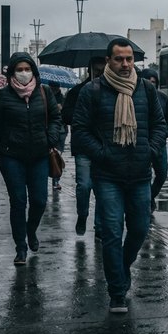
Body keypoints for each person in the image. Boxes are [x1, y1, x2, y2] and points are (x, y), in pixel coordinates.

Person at [72, 38, 166, 313]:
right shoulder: (93, 91)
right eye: (119, 59)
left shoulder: (146, 89)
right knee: (112, 233)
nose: (125, 64)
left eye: (129, 59)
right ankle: (116, 291)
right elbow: (79, 131)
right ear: (108, 61)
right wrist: (102, 153)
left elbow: (160, 124)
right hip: (107, 176)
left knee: (138, 229)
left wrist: (150, 150)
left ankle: (123, 266)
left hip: (139, 174)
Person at [0, 53, 62, 266]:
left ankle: (31, 230)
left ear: (33, 71)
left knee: (40, 201)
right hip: (11, 156)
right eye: (19, 69)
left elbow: (55, 118)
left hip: (39, 156)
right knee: (18, 202)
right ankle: (21, 247)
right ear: (12, 73)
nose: (23, 73)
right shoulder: (3, 96)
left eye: (27, 69)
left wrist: (51, 138)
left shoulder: (43, 93)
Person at [62, 56, 106, 239]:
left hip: (104, 147)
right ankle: (82, 215)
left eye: (103, 70)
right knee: (84, 186)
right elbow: (66, 117)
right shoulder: (78, 91)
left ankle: (100, 226)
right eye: (96, 70)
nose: (100, 74)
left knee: (103, 188)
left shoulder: (111, 91)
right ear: (90, 70)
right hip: (83, 147)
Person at [140, 68, 168, 211]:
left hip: (160, 143)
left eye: (154, 81)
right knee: (145, 176)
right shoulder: (138, 97)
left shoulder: (162, 97)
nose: (151, 83)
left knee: (162, 174)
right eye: (148, 80)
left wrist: (166, 132)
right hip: (144, 143)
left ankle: (150, 196)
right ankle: (148, 202)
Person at [49, 81, 67, 191]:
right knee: (52, 155)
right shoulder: (46, 96)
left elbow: (68, 114)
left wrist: (62, 108)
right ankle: (54, 179)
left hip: (61, 130)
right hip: (50, 130)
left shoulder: (63, 98)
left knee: (57, 155)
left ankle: (56, 179)